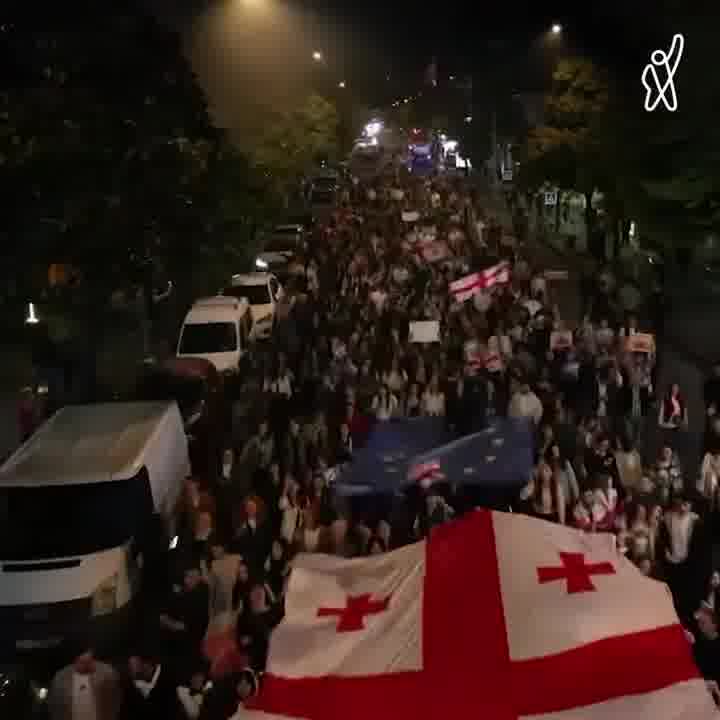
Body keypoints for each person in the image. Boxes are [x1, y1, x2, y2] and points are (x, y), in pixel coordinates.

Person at [48, 649, 123, 720]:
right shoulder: (61, 678)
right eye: (81, 662)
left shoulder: (107, 673)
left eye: (88, 662)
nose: (85, 665)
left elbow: (116, 701)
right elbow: (55, 707)